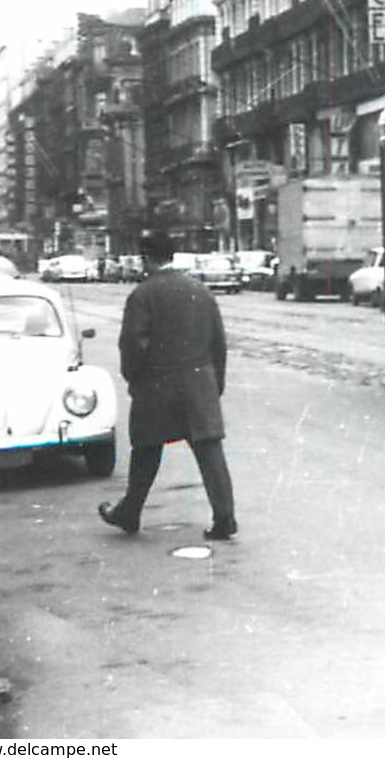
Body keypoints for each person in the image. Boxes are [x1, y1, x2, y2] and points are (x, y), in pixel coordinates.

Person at [98, 231, 237, 541]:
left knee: (146, 449)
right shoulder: (200, 291)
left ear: (146, 258)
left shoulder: (142, 295)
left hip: (157, 385)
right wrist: (215, 383)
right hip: (199, 383)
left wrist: (133, 378)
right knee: (209, 451)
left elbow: (133, 345)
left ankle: (129, 511)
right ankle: (225, 517)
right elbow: (219, 343)